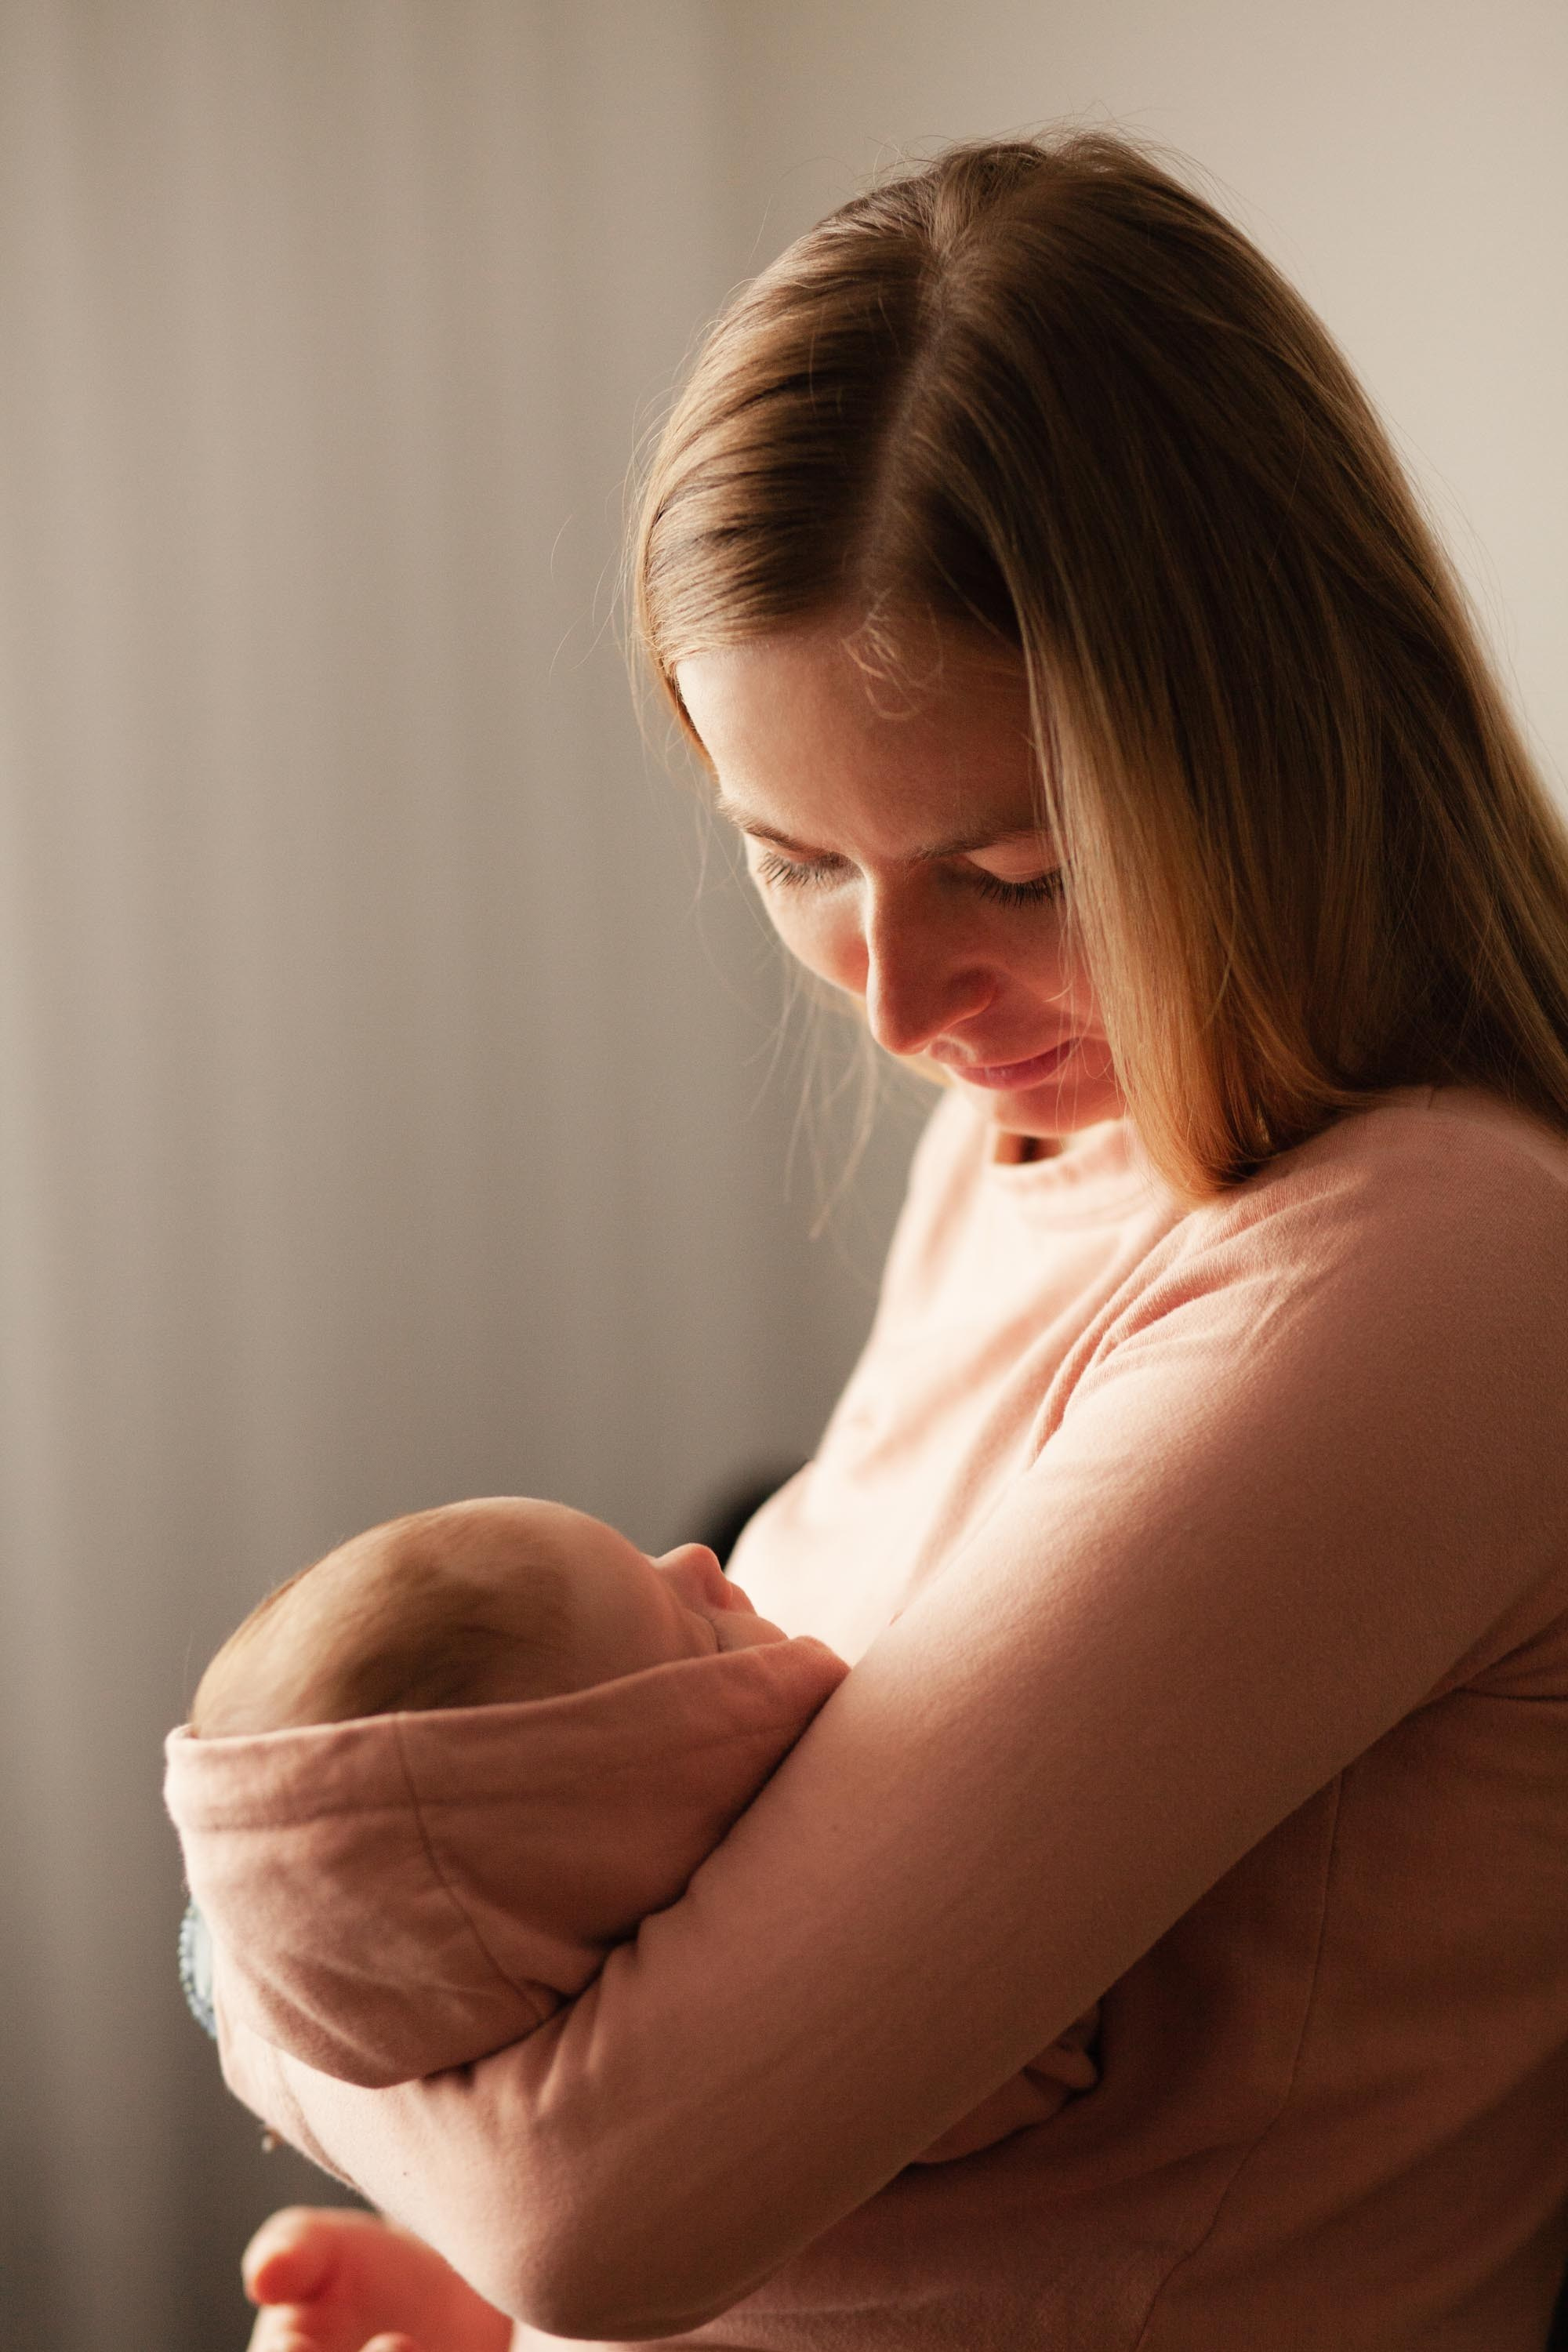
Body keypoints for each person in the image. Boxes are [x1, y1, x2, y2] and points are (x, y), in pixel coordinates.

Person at [216, 130, 1568, 2350]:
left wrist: (237, 1967)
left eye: (1016, 874)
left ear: (1286, 743)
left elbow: (601, 2204)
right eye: (795, 860)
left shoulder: (1433, 1278)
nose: (898, 1002)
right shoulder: (1017, 1146)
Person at [165, 1496, 1097, 2148]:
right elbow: (1029, 2062)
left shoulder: (464, 2027)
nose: (699, 1560)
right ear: (628, 1831)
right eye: (690, 1629)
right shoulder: (775, 2037)